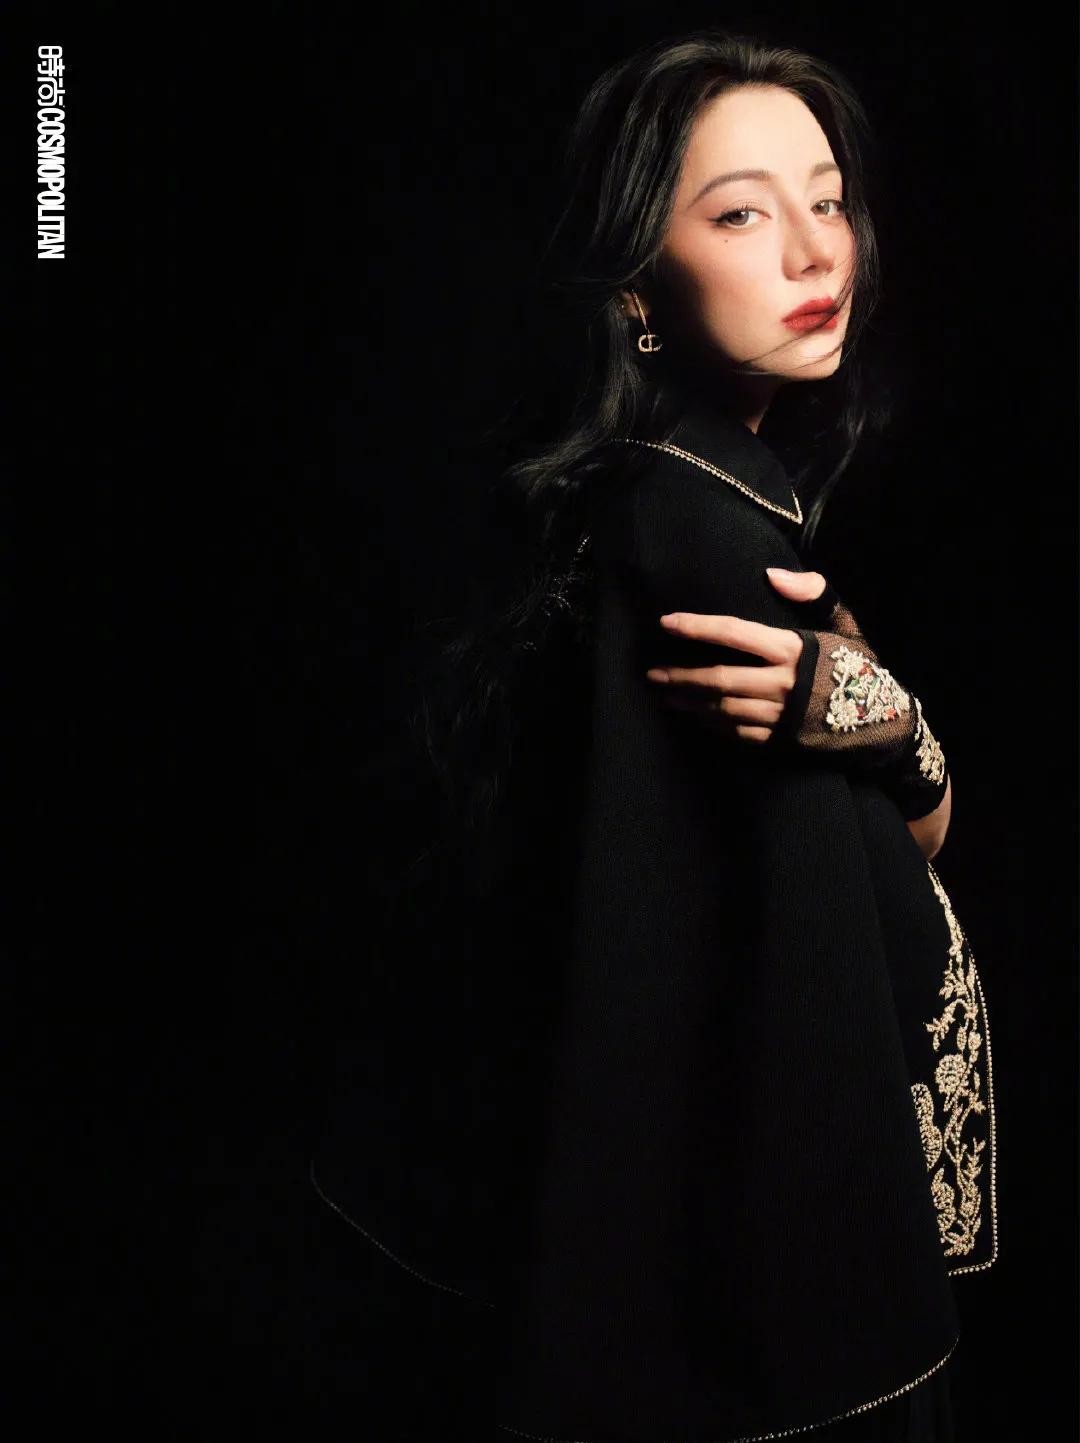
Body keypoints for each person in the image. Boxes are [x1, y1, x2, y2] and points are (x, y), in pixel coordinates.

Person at [308, 27, 998, 1441]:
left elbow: (904, 819)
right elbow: (791, 943)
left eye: (828, 199)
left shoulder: (690, 495)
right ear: (636, 285)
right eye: (741, 214)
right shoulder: (696, 541)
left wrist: (875, 713)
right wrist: (875, 722)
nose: (815, 250)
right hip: (751, 1285)